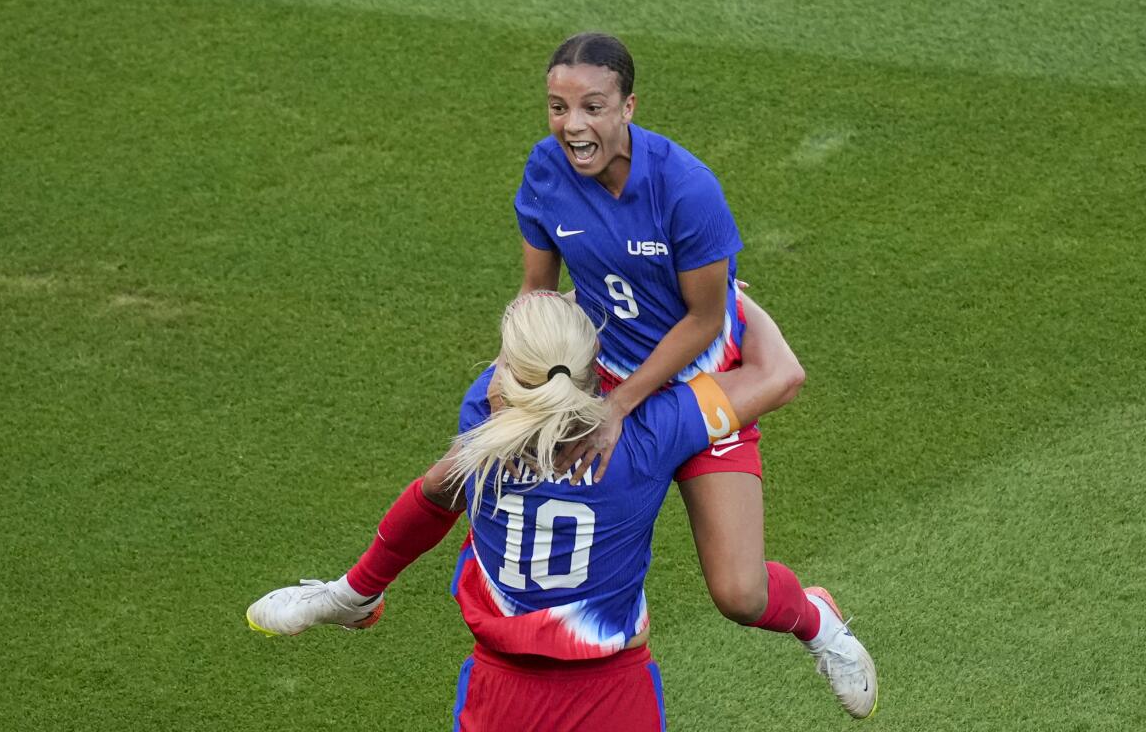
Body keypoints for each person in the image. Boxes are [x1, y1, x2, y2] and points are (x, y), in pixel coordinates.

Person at [250, 31, 878, 720]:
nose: (573, 125)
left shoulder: (686, 188)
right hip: (595, 376)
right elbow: (538, 291)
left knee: (739, 595)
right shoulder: (545, 173)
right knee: (457, 472)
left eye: (592, 106)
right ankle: (353, 593)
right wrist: (511, 374)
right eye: (557, 107)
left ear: (628, 106)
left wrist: (624, 405)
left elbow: (703, 321)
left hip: (697, 380)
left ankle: (817, 620)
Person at [248, 292, 877, 730]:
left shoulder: (482, 416)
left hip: (500, 687)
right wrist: (724, 298)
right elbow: (782, 373)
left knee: (443, 482)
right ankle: (351, 595)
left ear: (510, 376)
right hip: (612, 687)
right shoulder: (652, 432)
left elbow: (437, 492)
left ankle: (352, 595)